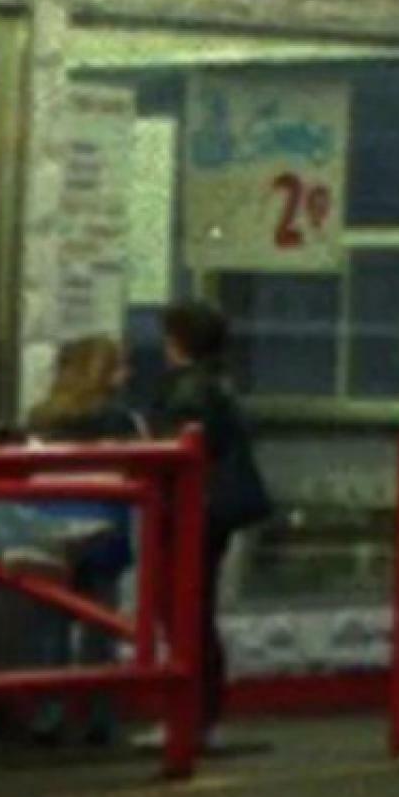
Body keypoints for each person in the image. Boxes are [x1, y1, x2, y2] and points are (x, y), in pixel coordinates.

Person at [159, 299, 274, 749]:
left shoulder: (188, 391)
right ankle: (200, 717)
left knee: (181, 609)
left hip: (192, 510)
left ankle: (189, 716)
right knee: (196, 608)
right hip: (215, 511)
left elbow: (179, 449)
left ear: (178, 342)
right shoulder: (221, 384)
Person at [20, 335, 145, 745]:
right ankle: (100, 715)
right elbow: (139, 468)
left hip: (48, 526)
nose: (127, 374)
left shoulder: (40, 417)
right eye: (120, 366)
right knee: (101, 624)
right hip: (103, 523)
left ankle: (49, 713)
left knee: (48, 626)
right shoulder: (122, 420)